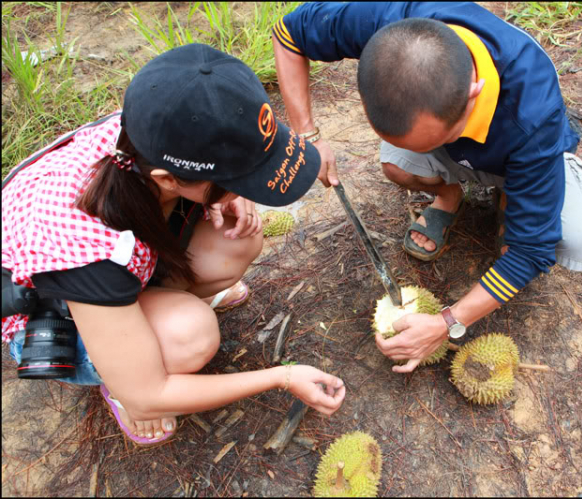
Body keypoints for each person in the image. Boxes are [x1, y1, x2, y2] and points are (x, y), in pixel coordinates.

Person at [1, 43, 345, 446]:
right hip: (55, 312)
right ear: (167, 180)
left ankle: (152, 313)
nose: (242, 186)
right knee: (190, 336)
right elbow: (152, 396)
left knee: (238, 237)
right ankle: (118, 377)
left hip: (122, 258)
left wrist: (234, 191)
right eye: (236, 177)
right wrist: (282, 377)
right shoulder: (81, 243)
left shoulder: (159, 130)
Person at [272, 2, 582, 372]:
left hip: (521, 155)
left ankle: (516, 193)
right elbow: (290, 32)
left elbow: (532, 251)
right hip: (461, 146)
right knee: (397, 164)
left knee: (579, 236)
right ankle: (449, 194)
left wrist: (446, 322)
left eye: (431, 138)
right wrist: (305, 136)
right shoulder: (396, 25)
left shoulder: (532, 108)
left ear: (473, 93)